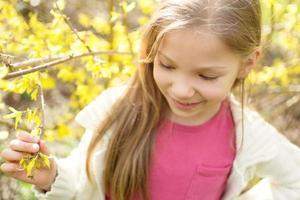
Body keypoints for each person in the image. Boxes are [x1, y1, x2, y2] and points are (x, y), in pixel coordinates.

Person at [1, 0, 300, 199]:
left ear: (248, 63)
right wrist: (51, 176)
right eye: (167, 65)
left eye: (206, 76)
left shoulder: (246, 134)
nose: (181, 90)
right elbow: (82, 181)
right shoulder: (118, 108)